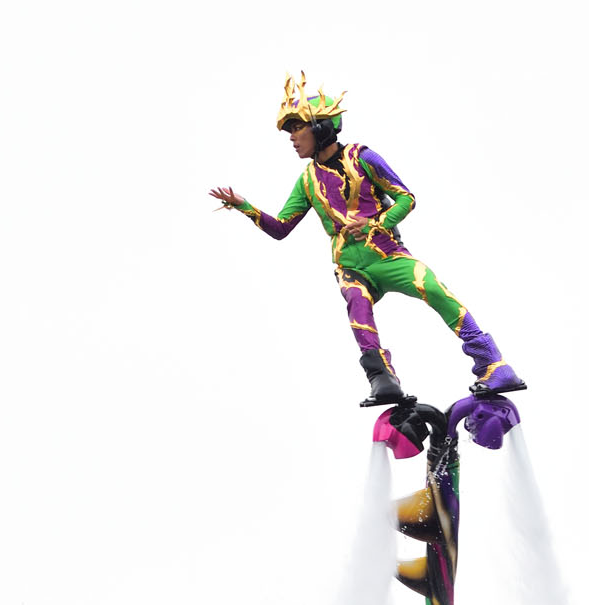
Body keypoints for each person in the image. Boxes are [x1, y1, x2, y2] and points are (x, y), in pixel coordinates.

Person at [210, 74, 525, 406]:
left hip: (388, 255)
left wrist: (378, 222)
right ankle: (382, 379)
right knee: (358, 309)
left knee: (433, 288)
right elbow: (281, 228)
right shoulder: (307, 180)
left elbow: (406, 198)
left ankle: (493, 364)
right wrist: (244, 206)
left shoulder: (362, 157)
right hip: (350, 265)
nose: (291, 138)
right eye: (289, 131)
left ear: (320, 128)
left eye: (297, 128)